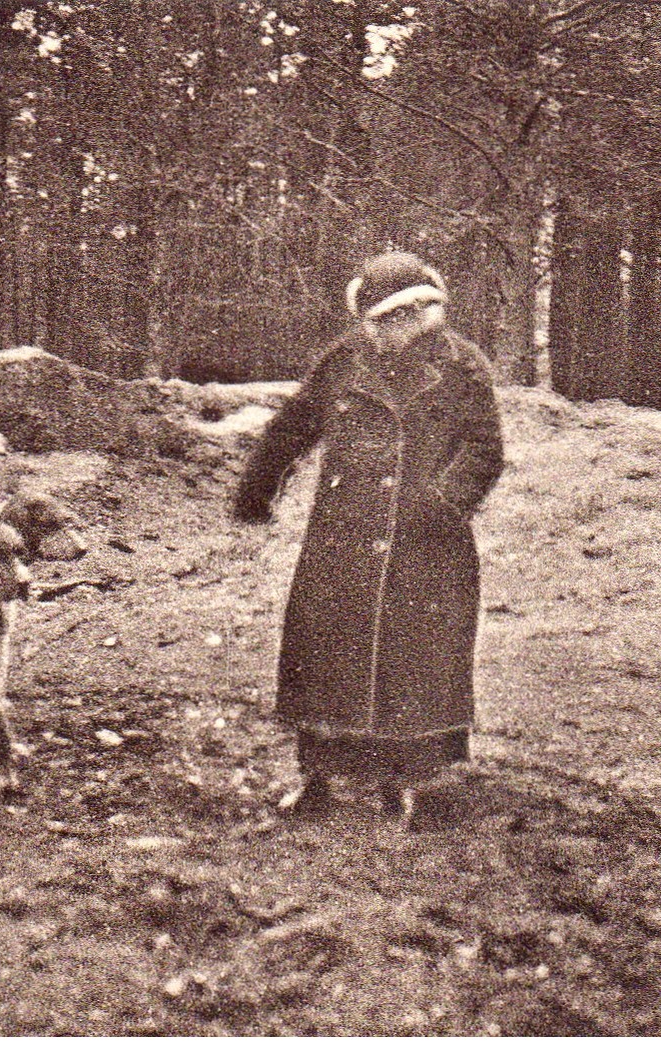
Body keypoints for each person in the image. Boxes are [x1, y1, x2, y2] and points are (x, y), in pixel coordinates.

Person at [233, 251, 505, 825]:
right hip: (343, 536)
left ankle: (416, 783)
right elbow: (295, 426)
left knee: (419, 663)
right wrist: (259, 487)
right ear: (371, 319)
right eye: (389, 317)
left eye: (418, 313)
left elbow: (483, 449)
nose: (405, 326)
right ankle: (319, 778)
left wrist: (442, 504)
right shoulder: (341, 361)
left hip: (426, 545)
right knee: (327, 656)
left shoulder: (464, 366)